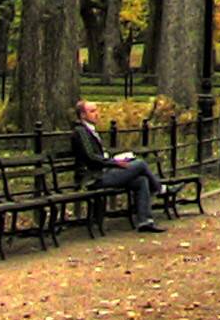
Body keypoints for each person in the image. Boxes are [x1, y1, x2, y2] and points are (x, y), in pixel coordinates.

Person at [70, 99, 167, 232]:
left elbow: (100, 155)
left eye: (97, 110)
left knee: (141, 180)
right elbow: (91, 157)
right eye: (92, 111)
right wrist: (115, 163)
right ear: (82, 115)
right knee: (140, 164)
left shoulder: (90, 130)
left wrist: (116, 160)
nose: (97, 114)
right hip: (93, 177)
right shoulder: (80, 131)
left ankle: (145, 222)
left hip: (104, 172)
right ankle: (160, 189)